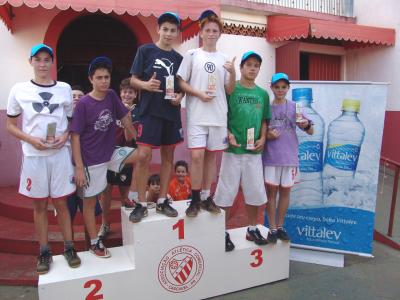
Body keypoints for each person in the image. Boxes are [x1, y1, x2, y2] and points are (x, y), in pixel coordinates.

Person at [6, 43, 81, 274]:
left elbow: (71, 122)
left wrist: (64, 136)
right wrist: (30, 139)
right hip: (34, 156)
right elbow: (10, 125)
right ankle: (44, 251)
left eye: (46, 59)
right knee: (39, 206)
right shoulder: (19, 89)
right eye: (37, 59)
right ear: (31, 62)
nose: (42, 64)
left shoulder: (64, 88)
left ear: (52, 62)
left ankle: (69, 248)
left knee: (62, 204)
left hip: (59, 155)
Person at [70, 56, 137, 258]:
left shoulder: (111, 95)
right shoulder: (83, 104)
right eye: (99, 77)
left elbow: (125, 118)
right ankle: (93, 242)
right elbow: (75, 137)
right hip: (91, 161)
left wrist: (135, 136)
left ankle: (138, 200)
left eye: (107, 77)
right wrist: (79, 167)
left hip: (112, 153)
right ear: (91, 79)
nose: (104, 81)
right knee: (90, 203)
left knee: (143, 154)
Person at [177, 10, 236, 217]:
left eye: (215, 30)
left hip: (218, 115)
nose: (211, 33)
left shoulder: (225, 58)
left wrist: (233, 72)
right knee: (196, 156)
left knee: (211, 158)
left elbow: (229, 90)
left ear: (220, 34)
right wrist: (199, 94)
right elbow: (181, 81)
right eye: (208, 30)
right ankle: (194, 199)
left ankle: (206, 196)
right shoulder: (192, 55)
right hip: (197, 115)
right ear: (201, 32)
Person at [128, 12, 184, 223]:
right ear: (158, 29)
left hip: (170, 113)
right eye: (166, 29)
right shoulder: (145, 51)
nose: (169, 34)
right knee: (143, 156)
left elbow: (182, 86)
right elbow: (133, 80)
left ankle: (162, 200)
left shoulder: (179, 59)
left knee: (168, 155)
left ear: (177, 32)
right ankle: (141, 203)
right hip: (148, 111)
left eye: (173, 30)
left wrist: (179, 96)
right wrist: (145, 85)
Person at [215, 51, 270, 251]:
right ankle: (221, 232)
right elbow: (221, 115)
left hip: (253, 152)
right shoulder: (231, 89)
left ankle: (252, 228)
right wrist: (228, 133)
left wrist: (263, 138)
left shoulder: (262, 94)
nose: (253, 69)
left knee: (254, 192)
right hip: (232, 150)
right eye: (249, 65)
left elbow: (265, 120)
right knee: (226, 193)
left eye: (256, 65)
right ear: (241, 68)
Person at [263, 73, 314, 243]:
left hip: (290, 158)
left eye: (283, 87)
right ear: (272, 88)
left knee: (285, 194)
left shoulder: (295, 107)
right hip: (271, 158)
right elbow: (260, 134)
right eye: (277, 87)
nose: (280, 90)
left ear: (288, 88)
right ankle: (271, 228)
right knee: (271, 194)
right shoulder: (266, 108)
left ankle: (280, 227)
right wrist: (268, 135)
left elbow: (311, 130)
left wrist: (305, 125)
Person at [99, 78, 138, 239]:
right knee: (105, 193)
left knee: (125, 196)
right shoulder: (111, 108)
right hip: (109, 155)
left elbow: (131, 137)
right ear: (120, 93)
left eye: (130, 92)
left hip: (127, 155)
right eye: (124, 91)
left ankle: (128, 229)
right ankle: (105, 224)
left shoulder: (138, 112)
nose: (127, 94)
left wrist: (127, 116)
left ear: (135, 94)